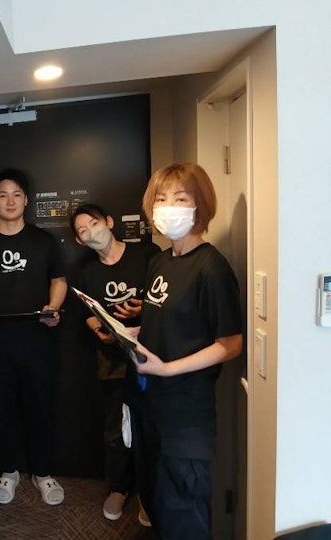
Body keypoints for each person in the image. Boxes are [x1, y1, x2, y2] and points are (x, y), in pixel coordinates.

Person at [133, 163, 243, 539]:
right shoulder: (160, 262)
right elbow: (167, 322)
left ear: (200, 206)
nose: (168, 207)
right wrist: (130, 331)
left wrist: (167, 369)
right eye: (161, 199)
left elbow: (230, 344)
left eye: (180, 199)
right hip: (151, 403)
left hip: (187, 412)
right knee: (156, 499)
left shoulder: (211, 268)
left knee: (184, 506)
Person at [0, 168, 67, 506]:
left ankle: (43, 473)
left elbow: (59, 280)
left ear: (26, 200)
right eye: (3, 194)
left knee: (41, 408)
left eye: (16, 194)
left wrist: (53, 307)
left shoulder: (44, 241)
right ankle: (8, 471)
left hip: (38, 341)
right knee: (0, 409)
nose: (10, 201)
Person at [69, 203, 159, 523]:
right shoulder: (85, 271)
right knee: (115, 429)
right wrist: (98, 329)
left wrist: (143, 311)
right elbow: (84, 311)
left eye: (94, 223)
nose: (91, 232)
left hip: (150, 357)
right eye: (83, 231)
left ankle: (149, 493)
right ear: (79, 240)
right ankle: (119, 488)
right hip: (111, 361)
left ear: (109, 221)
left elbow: (165, 300)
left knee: (151, 427)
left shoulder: (146, 254)